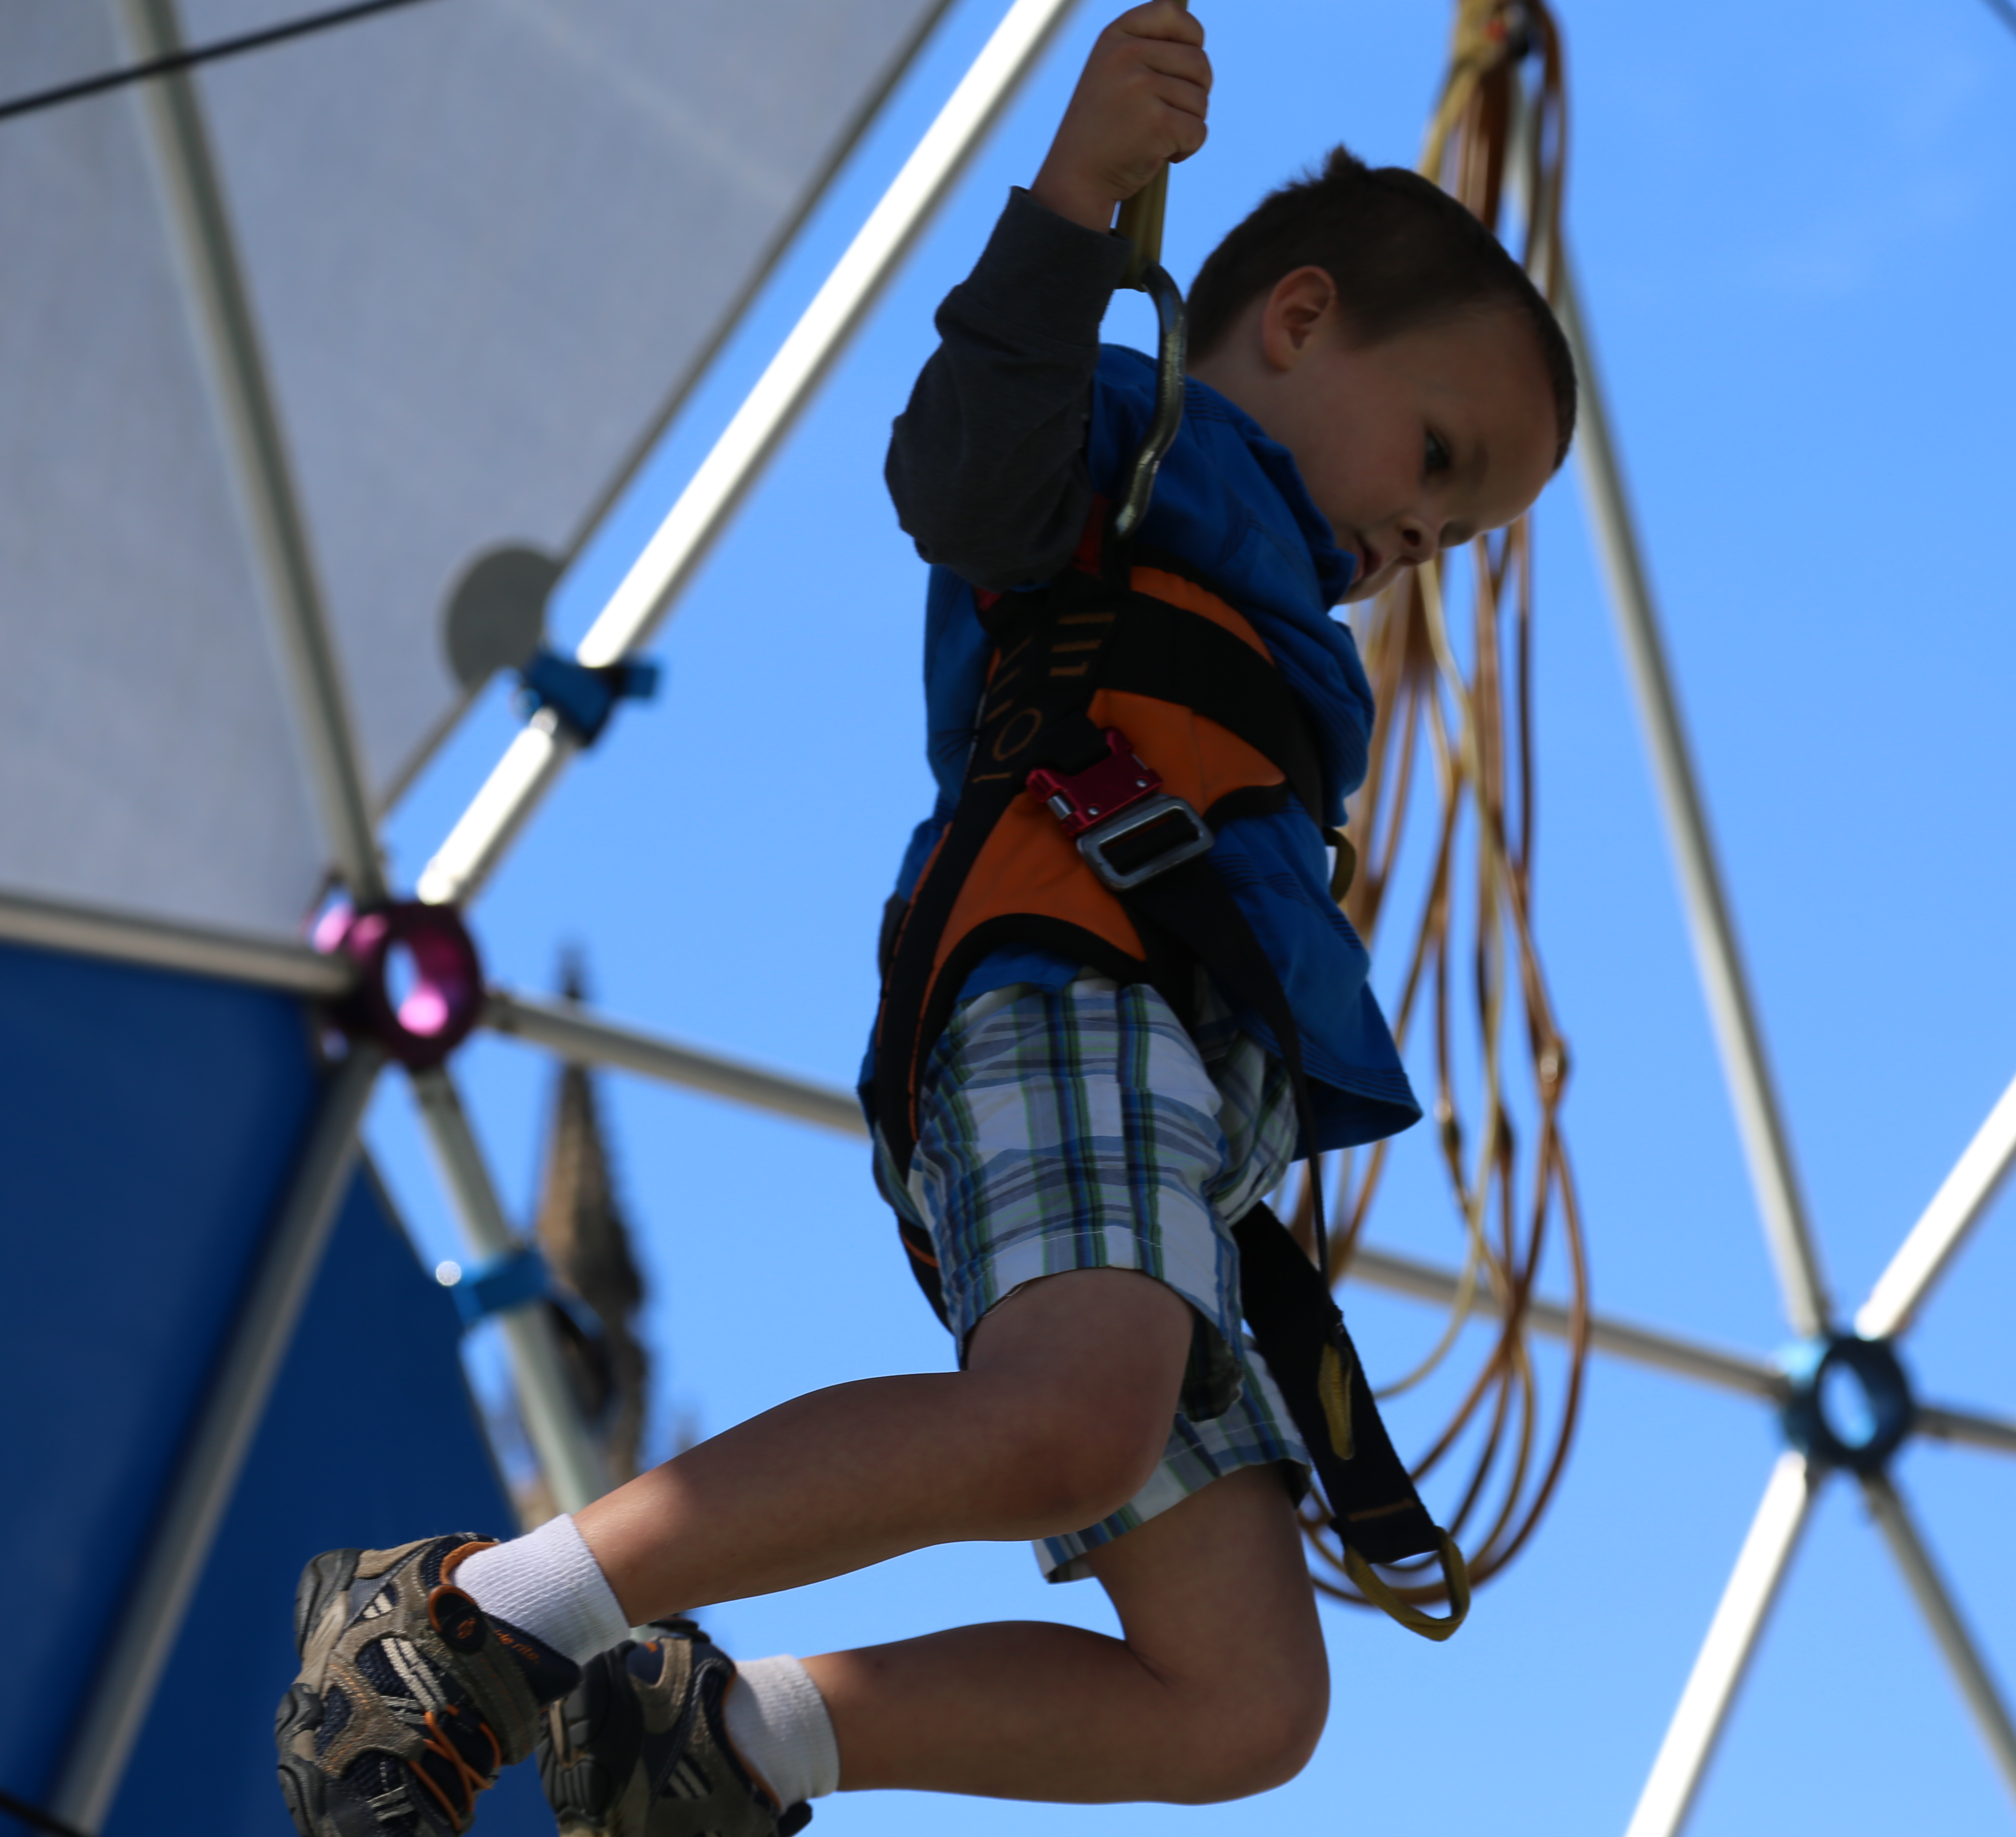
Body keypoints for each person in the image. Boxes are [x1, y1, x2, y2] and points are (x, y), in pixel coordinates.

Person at [274, 7, 1573, 1832]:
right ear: (1295, 320)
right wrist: (1071, 201)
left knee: (1249, 1702)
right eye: (1438, 460)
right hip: (1067, 996)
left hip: (1176, 1132)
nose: (1424, 536)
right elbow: (962, 472)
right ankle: (475, 1621)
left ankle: (732, 1741)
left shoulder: (1275, 603)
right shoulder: (1147, 440)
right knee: (1066, 1425)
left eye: (1466, 529)